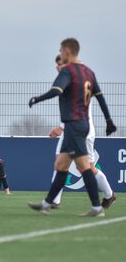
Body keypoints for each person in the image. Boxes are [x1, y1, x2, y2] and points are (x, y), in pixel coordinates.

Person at [28, 38, 117, 217]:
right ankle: (47, 203)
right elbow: (99, 96)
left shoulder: (68, 70)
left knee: (85, 167)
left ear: (67, 51)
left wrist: (37, 98)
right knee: (61, 164)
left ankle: (97, 208)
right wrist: (109, 121)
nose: (60, 53)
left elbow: (57, 90)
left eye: (61, 50)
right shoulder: (88, 72)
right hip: (81, 125)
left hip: (74, 126)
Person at [49, 55, 116, 209]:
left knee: (88, 168)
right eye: (57, 66)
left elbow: (76, 110)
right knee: (59, 164)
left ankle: (109, 194)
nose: (57, 68)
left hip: (81, 131)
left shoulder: (75, 80)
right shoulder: (73, 78)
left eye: (60, 65)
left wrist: (61, 127)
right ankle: (55, 201)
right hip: (73, 130)